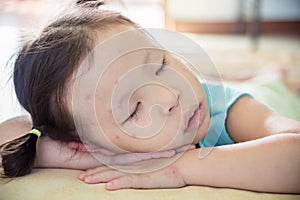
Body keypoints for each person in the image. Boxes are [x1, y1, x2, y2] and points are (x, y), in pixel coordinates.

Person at [0, 0, 300, 193]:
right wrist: (100, 155)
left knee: (269, 84)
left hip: (267, 98)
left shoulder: (226, 109)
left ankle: (268, 77)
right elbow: (14, 134)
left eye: (161, 65)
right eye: (134, 110)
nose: (170, 95)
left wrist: (181, 167)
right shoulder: (97, 143)